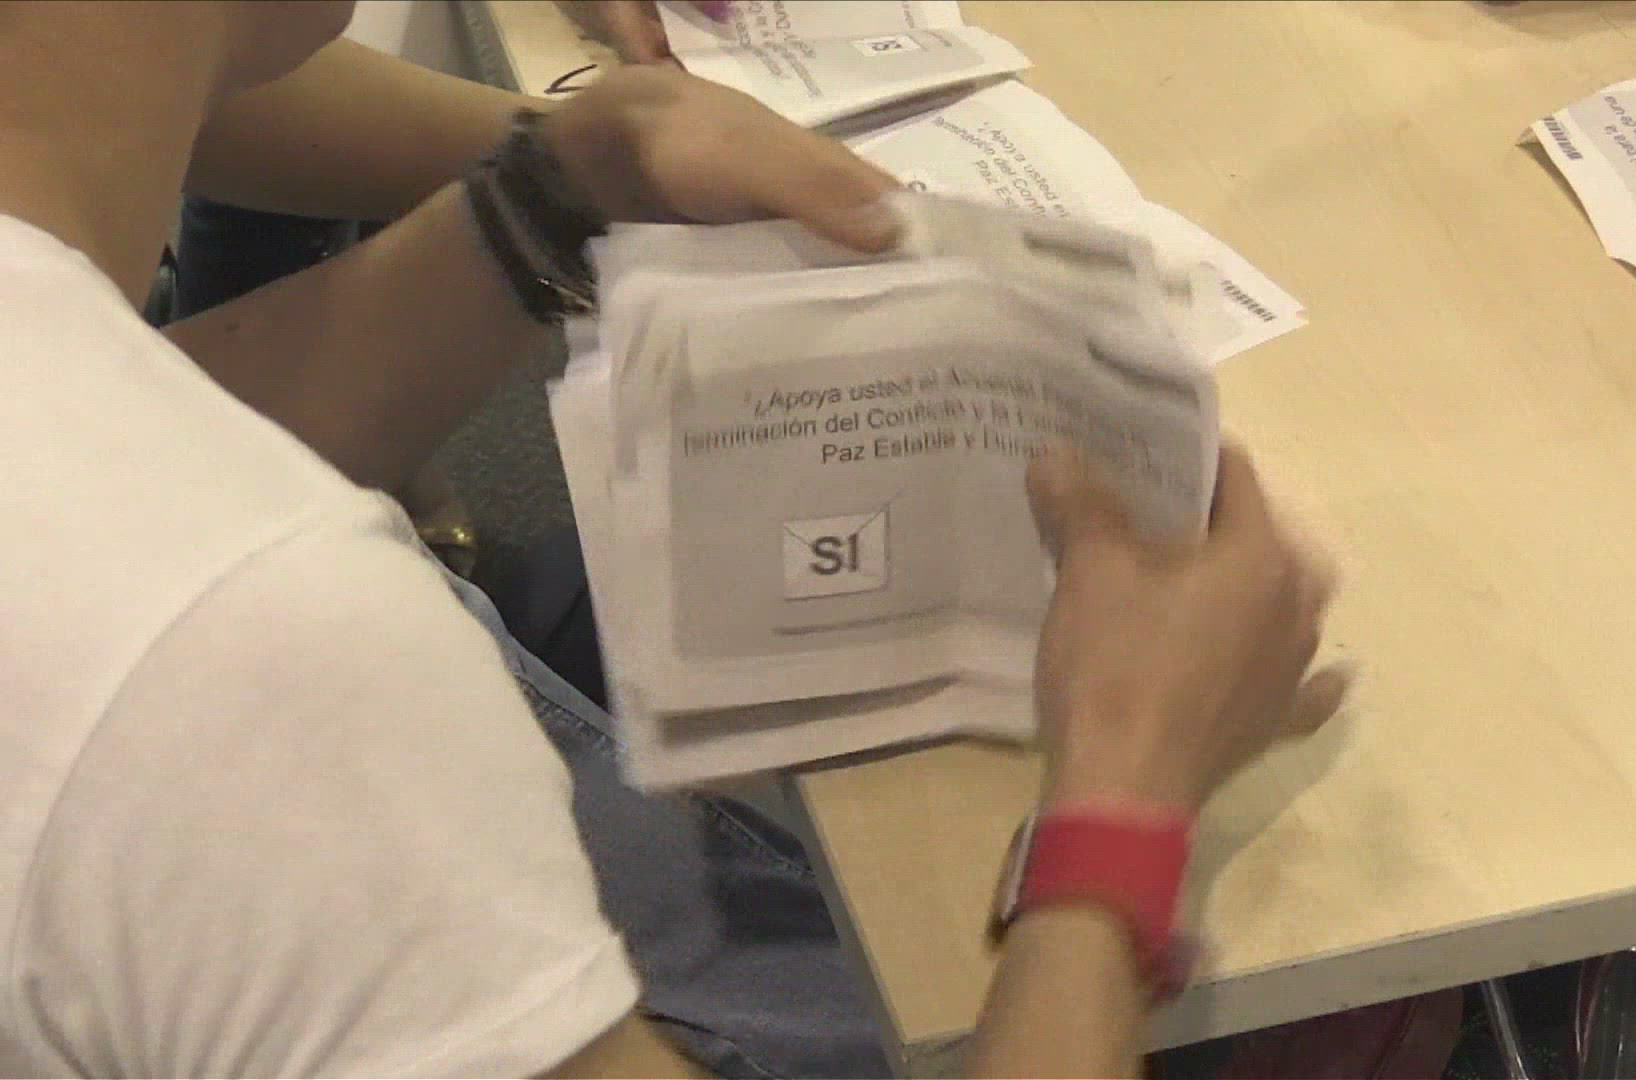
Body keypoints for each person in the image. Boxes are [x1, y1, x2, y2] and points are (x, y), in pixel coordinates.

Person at [0, 3, 1335, 1078]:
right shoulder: (247, 670)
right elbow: (180, 582)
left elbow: (153, 451)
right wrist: (1118, 815)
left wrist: (551, 193)